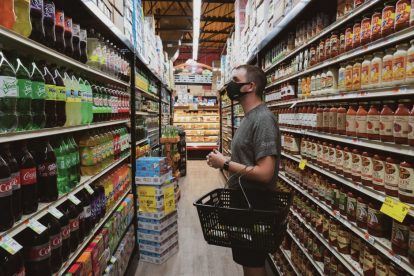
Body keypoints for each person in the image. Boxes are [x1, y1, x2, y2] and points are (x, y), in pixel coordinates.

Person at [206, 64, 281, 276]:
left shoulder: (263, 119)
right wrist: (225, 159)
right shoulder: (250, 118)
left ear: (250, 86)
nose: (230, 85)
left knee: (253, 263)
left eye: (235, 81)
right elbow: (249, 159)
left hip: (255, 204)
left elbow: (265, 173)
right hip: (244, 202)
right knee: (247, 260)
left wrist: (226, 164)